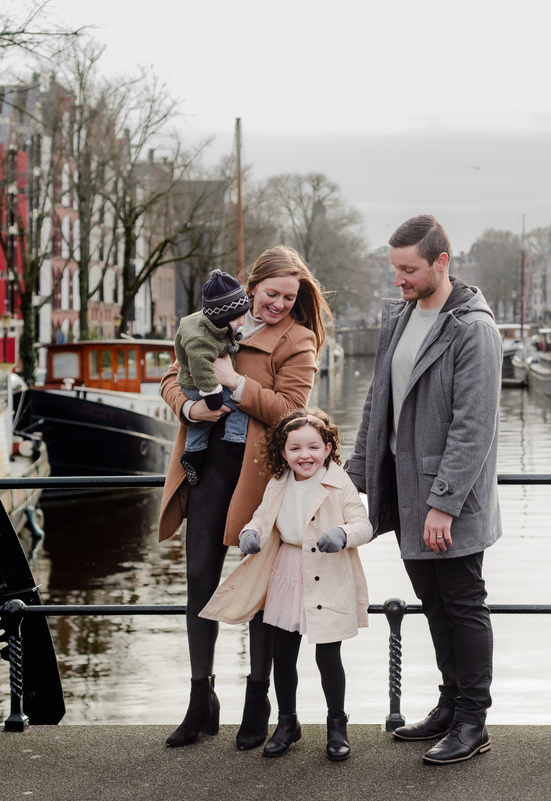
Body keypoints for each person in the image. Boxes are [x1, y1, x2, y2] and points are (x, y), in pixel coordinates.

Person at [157, 245, 332, 750]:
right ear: (251, 286)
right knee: (198, 580)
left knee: (258, 589)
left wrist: (238, 383)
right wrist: (190, 407)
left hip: (259, 476)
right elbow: (171, 377)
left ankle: (259, 701)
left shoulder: (298, 340)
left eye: (289, 297)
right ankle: (200, 698)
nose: (278, 304)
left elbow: (294, 411)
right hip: (208, 464)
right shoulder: (207, 323)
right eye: (271, 293)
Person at [345, 214, 502, 766]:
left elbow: (473, 425)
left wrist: (443, 504)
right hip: (407, 493)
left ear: (442, 262)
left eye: (408, 269)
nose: (399, 280)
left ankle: (473, 722)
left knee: (462, 603)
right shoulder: (402, 316)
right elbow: (377, 403)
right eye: (395, 269)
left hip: (446, 503)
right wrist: (356, 476)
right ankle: (449, 705)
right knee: (433, 603)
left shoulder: (472, 328)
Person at [201, 409, 372, 761]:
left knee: (328, 655)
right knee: (284, 655)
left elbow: (363, 525)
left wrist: (342, 534)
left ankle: (336, 726)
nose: (304, 455)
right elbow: (262, 518)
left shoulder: (340, 483)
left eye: (312, 447)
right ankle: (286, 723)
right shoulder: (279, 483)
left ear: (327, 449)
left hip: (328, 571)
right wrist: (251, 533)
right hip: (288, 570)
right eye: (295, 449)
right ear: (283, 453)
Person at [174, 270, 251, 486]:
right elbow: (200, 370)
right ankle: (236, 441)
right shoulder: (201, 342)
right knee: (238, 404)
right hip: (200, 387)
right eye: (237, 319)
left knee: (201, 425)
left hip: (193, 387)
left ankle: (192, 454)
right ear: (221, 319)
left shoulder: (209, 325)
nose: (242, 321)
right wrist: (213, 395)